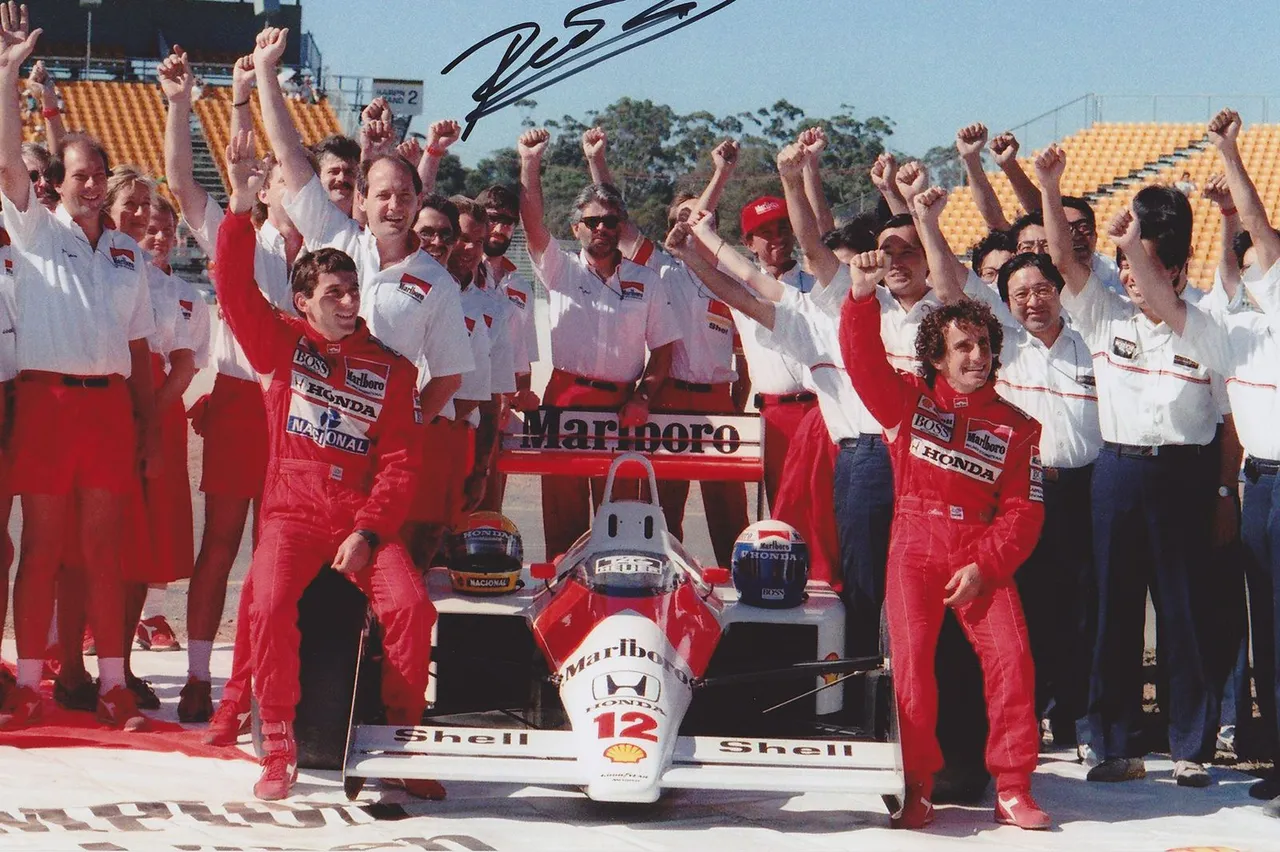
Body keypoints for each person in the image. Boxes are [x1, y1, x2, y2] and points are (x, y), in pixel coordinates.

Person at [217, 129, 440, 802]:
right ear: (305, 303)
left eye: (353, 291)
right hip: (291, 512)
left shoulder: (393, 370)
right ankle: (278, 745)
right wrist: (237, 206)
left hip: (360, 520)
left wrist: (369, 533)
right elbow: (232, 287)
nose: (348, 302)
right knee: (270, 600)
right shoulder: (282, 345)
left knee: (412, 608)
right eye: (334, 295)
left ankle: (399, 740)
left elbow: (401, 466)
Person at [1036, 142, 1233, 787]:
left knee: (1185, 612)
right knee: (1113, 612)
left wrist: (1225, 494)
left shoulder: (1202, 328)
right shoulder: (1102, 317)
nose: (1129, 279)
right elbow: (1062, 258)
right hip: (1116, 474)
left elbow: (1226, 423)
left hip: (1185, 476)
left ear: (1176, 271)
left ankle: (1189, 747)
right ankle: (1110, 741)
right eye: (1123, 265)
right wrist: (1049, 181)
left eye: (1143, 265)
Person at [839, 246, 1049, 831]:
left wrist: (985, 565)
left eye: (984, 345)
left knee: (1012, 661)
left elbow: (1024, 513)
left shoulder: (1019, 426)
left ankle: (1013, 785)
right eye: (963, 346)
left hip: (981, 555)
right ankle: (916, 784)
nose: (977, 355)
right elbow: (860, 364)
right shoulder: (906, 398)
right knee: (910, 669)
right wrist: (859, 299)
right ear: (936, 354)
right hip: (913, 545)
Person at [0, 4, 158, 731]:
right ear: (55, 183)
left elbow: (136, 348)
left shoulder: (128, 252)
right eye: (78, 176)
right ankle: (29, 681)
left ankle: (113, 682)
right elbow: (9, 159)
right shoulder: (34, 230)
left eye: (98, 175)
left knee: (102, 550)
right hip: (47, 403)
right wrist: (7, 75)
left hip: (106, 408)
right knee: (44, 546)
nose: (91, 185)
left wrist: (145, 422)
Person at [1123, 108, 1279, 802]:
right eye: (1240, 267)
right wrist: (1131, 246)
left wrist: (1226, 150)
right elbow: (1164, 296)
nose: (1248, 272)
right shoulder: (1224, 334)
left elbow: (1258, 234)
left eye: (1256, 263)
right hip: (1259, 487)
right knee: (1267, 629)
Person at [253, 26, 474, 511]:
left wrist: (407, 427)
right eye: (382, 195)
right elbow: (291, 155)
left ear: (419, 201)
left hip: (379, 454)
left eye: (404, 195)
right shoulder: (335, 237)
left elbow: (449, 375)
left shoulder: (438, 281)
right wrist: (267, 73)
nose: (393, 205)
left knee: (370, 567)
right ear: (361, 199)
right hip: (313, 439)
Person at [160, 46, 301, 729]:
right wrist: (192, 104)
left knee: (282, 558)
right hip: (244, 399)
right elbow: (183, 184)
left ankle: (265, 684)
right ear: (266, 185)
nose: (287, 190)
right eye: (276, 179)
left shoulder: (331, 251)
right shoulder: (234, 231)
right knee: (221, 545)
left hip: (302, 411)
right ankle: (197, 676)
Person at [583, 127, 749, 565]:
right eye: (681, 218)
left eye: (699, 218)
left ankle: (739, 583)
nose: (690, 225)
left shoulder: (729, 277)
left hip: (718, 402)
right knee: (664, 504)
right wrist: (598, 161)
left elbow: (744, 359)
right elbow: (612, 215)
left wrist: (737, 401)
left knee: (729, 507)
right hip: (669, 397)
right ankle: (666, 578)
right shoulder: (659, 268)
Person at [516, 127, 680, 557]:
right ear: (577, 227)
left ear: (621, 225)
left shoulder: (648, 280)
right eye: (592, 222)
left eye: (611, 221)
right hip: (566, 400)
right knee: (564, 523)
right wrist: (530, 163)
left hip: (624, 407)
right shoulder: (560, 270)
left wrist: (644, 396)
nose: (602, 228)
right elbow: (532, 222)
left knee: (623, 518)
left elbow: (663, 350)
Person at [991, 252, 1102, 758]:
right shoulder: (1002, 350)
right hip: (1023, 495)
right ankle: (1027, 715)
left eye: (1042, 289)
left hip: (1087, 490)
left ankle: (1078, 719)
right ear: (1006, 303)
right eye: (1020, 294)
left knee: (1083, 609)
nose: (1033, 301)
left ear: (1060, 289)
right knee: (1028, 607)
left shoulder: (1093, 344)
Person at [474, 183, 541, 513]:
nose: (501, 228)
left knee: (490, 502)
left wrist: (519, 398)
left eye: (509, 220)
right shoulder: (462, 271)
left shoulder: (521, 285)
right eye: (493, 218)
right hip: (465, 405)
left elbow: (523, 359)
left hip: (500, 413)